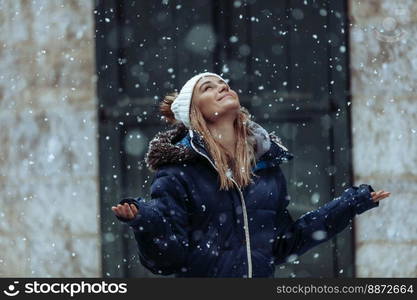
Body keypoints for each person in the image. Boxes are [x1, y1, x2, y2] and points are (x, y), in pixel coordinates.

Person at [112, 72, 390, 278]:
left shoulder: (264, 169)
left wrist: (349, 204)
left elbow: (282, 244)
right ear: (194, 112)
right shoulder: (177, 174)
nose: (222, 87)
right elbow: (168, 259)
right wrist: (144, 220)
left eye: (224, 84)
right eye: (209, 88)